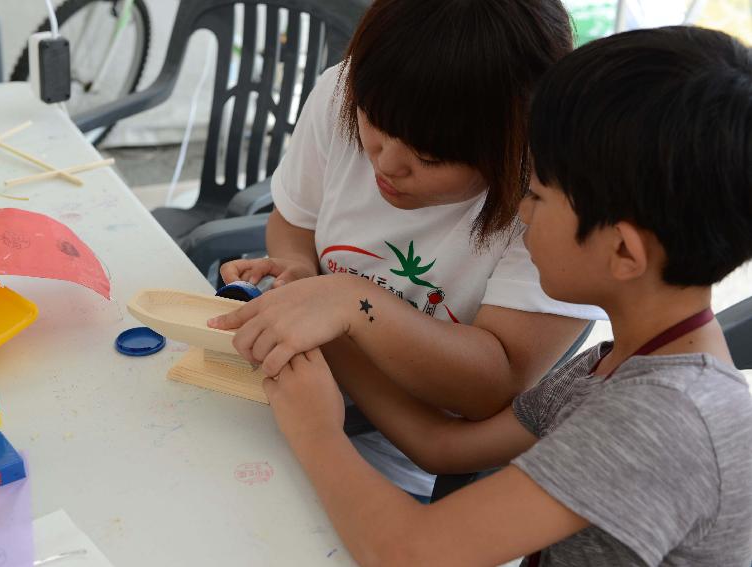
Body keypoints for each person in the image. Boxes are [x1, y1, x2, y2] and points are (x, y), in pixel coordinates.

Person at [218, 26, 752, 565]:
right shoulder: (607, 368)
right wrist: (323, 314)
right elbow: (439, 445)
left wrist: (316, 431)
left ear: (623, 251)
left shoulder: (662, 423)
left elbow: (409, 552)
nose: (521, 214)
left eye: (538, 195)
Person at [214, 0, 602, 500]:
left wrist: (344, 305)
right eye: (372, 121)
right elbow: (294, 221)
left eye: (430, 156)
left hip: (391, 461)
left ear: (515, 145)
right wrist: (297, 268)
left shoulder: (554, 203)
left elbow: (489, 384)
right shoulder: (347, 88)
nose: (388, 164)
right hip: (290, 394)